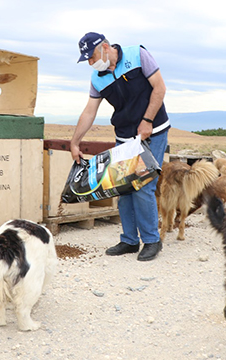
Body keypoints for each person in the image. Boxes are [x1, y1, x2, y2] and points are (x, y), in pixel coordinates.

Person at [71, 32, 170, 261]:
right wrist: (75, 142)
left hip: (152, 132)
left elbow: (159, 88)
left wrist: (147, 121)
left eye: (92, 56)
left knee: (143, 184)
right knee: (122, 188)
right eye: (86, 59)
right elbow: (89, 111)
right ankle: (129, 240)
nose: (91, 62)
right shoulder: (97, 78)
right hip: (125, 136)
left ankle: (152, 241)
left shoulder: (137, 55)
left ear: (105, 47)